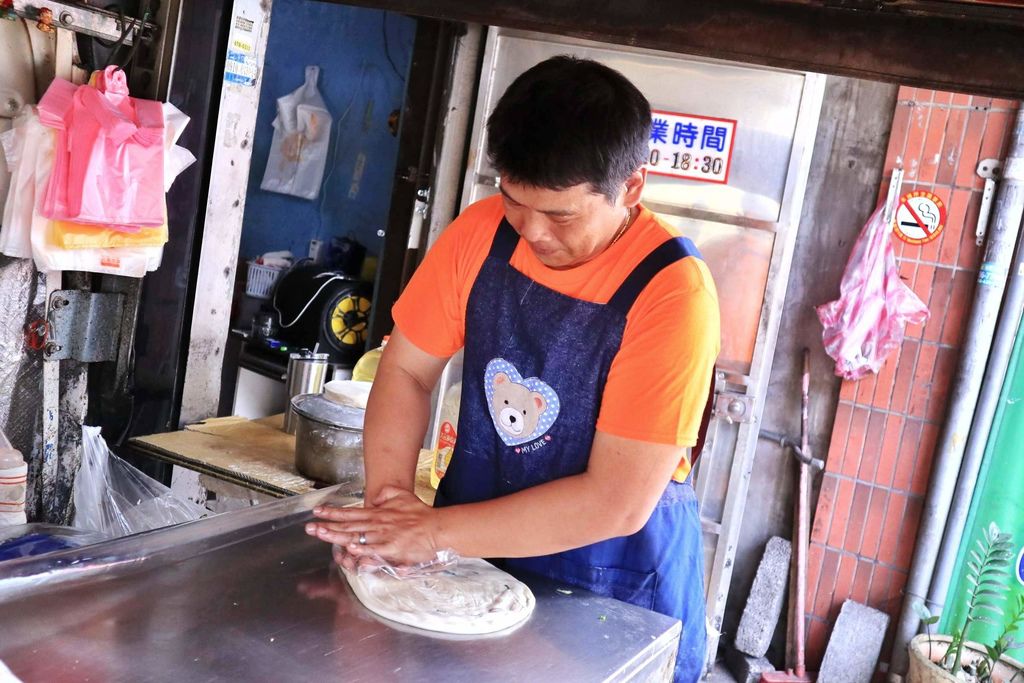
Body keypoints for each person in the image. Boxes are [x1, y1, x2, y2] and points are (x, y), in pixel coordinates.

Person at [305, 55, 720, 682]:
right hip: (474, 550)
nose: (531, 232)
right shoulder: (480, 233)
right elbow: (408, 370)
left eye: (560, 216)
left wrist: (436, 532)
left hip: (612, 576)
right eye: (512, 200)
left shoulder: (673, 295)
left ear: (631, 187)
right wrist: (392, 502)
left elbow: (616, 501)